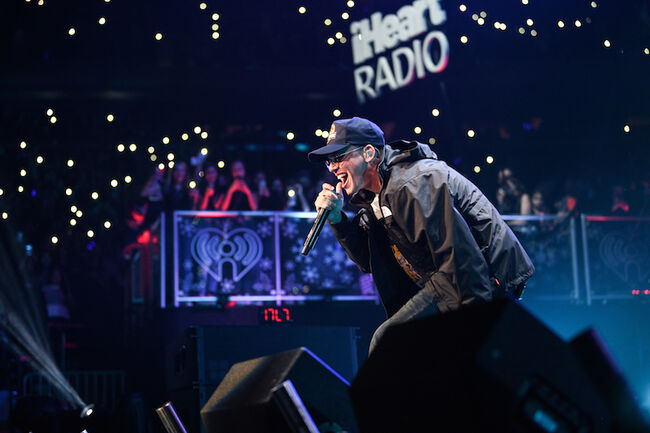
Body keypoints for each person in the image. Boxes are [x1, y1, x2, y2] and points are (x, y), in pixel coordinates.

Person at [310, 117, 534, 353]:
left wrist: (474, 324)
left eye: (339, 157)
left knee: (387, 342)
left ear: (368, 153)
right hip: (447, 282)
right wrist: (337, 219)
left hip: (482, 279)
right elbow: (370, 262)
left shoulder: (412, 184)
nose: (333, 167)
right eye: (329, 162)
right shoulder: (375, 195)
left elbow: (460, 259)